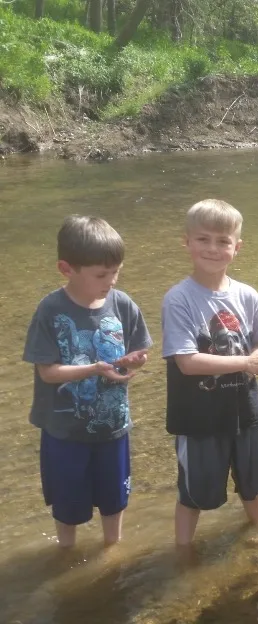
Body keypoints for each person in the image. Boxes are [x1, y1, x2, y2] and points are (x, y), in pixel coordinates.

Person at [23, 215, 151, 547]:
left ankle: (112, 551)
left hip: (113, 427)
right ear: (67, 269)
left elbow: (140, 349)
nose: (111, 280)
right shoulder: (50, 310)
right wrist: (95, 369)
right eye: (101, 274)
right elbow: (48, 372)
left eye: (116, 272)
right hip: (65, 432)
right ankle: (66, 553)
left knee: (114, 499)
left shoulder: (122, 304)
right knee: (68, 506)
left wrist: (134, 360)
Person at [162, 199, 258, 547]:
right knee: (192, 491)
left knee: (253, 480)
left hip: (246, 408)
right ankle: (182, 549)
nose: (213, 248)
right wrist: (247, 363)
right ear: (186, 242)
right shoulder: (179, 299)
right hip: (198, 415)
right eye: (203, 239)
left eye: (222, 241)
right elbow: (187, 362)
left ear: (237, 247)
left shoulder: (248, 295)